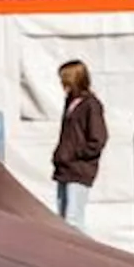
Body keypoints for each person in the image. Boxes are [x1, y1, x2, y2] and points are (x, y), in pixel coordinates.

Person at [51, 60, 108, 231]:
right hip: (65, 168)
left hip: (79, 168)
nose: (62, 83)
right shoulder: (70, 101)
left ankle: (79, 254)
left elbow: (98, 138)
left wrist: (75, 153)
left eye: (65, 78)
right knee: (63, 219)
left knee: (73, 219)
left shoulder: (91, 105)